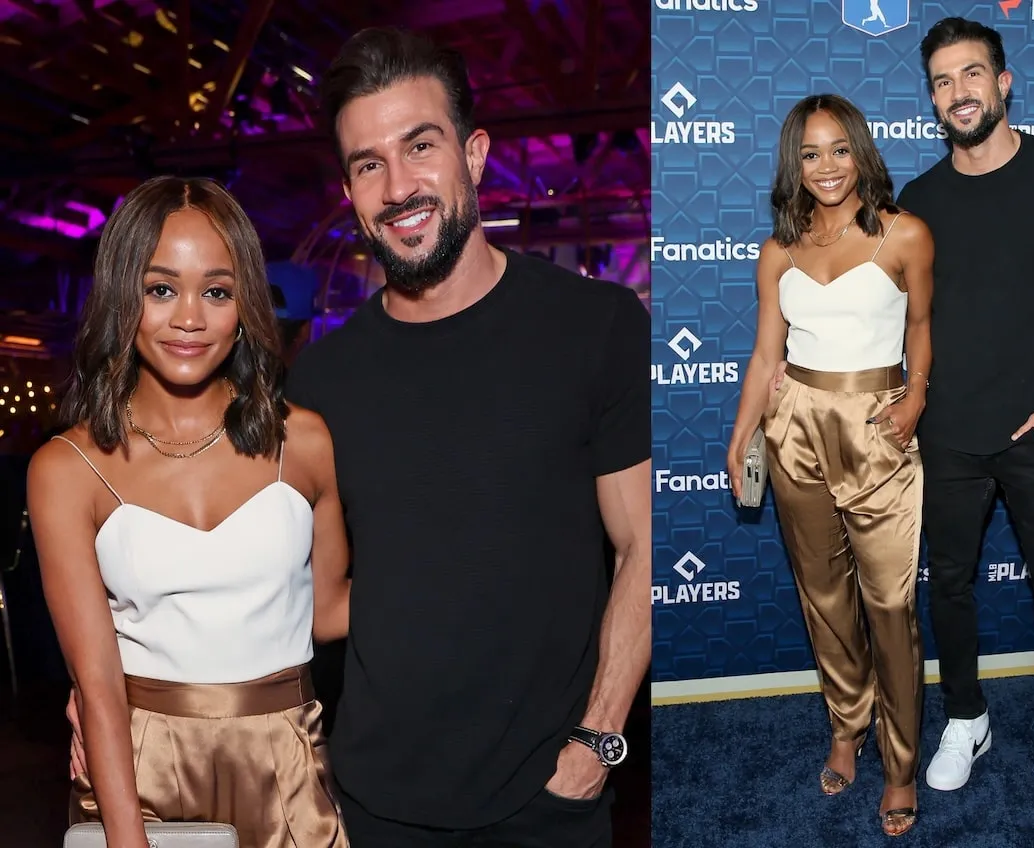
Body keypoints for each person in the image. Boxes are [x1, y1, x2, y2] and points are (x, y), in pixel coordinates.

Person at [67, 29, 650, 848]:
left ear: (475, 154)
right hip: (371, 804)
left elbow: (641, 549)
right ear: (348, 189)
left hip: (548, 800)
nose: (399, 185)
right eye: (369, 163)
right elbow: (271, 589)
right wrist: (121, 688)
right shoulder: (316, 385)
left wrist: (596, 741)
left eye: (421, 146)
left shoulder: (596, 328)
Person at [29, 175, 352, 848]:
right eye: (160, 289)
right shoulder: (67, 468)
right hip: (141, 770)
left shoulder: (307, 442)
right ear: (125, 295)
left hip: (287, 764)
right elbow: (96, 681)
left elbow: (328, 611)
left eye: (216, 290)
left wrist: (463, 566)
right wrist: (126, 838)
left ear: (244, 306)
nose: (189, 317)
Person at [895, 17, 1034, 837]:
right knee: (948, 587)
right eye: (942, 81)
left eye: (971, 74)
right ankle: (967, 716)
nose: (958, 92)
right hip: (948, 432)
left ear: (1004, 80)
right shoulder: (916, 201)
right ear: (932, 98)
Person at [727, 93, 934, 838]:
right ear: (794, 162)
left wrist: (915, 400)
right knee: (825, 599)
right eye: (810, 153)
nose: (825, 166)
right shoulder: (777, 249)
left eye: (839, 149)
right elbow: (765, 354)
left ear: (862, 151)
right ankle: (846, 726)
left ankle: (901, 763)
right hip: (798, 430)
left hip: (877, 429)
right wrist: (742, 430)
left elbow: (920, 331)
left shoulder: (904, 233)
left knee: (891, 607)